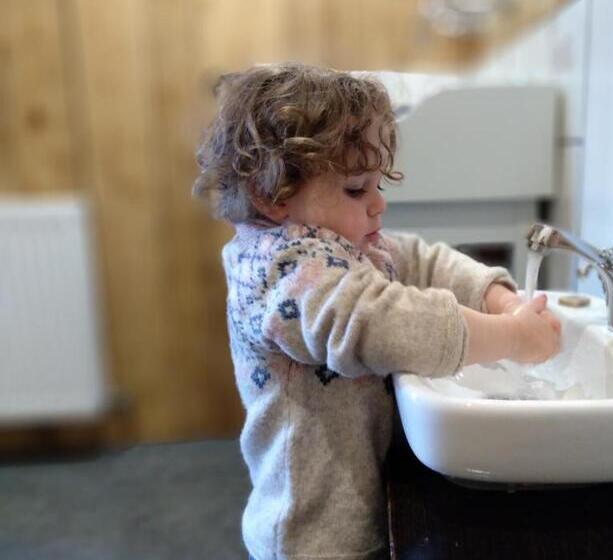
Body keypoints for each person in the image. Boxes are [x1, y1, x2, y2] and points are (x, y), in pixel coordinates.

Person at [193, 62, 561, 560]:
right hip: (314, 534)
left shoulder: (335, 243)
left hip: (352, 506)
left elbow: (420, 260)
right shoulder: (282, 269)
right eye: (355, 189)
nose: (378, 204)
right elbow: (375, 322)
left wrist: (501, 299)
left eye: (376, 184)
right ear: (271, 194)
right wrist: (512, 337)